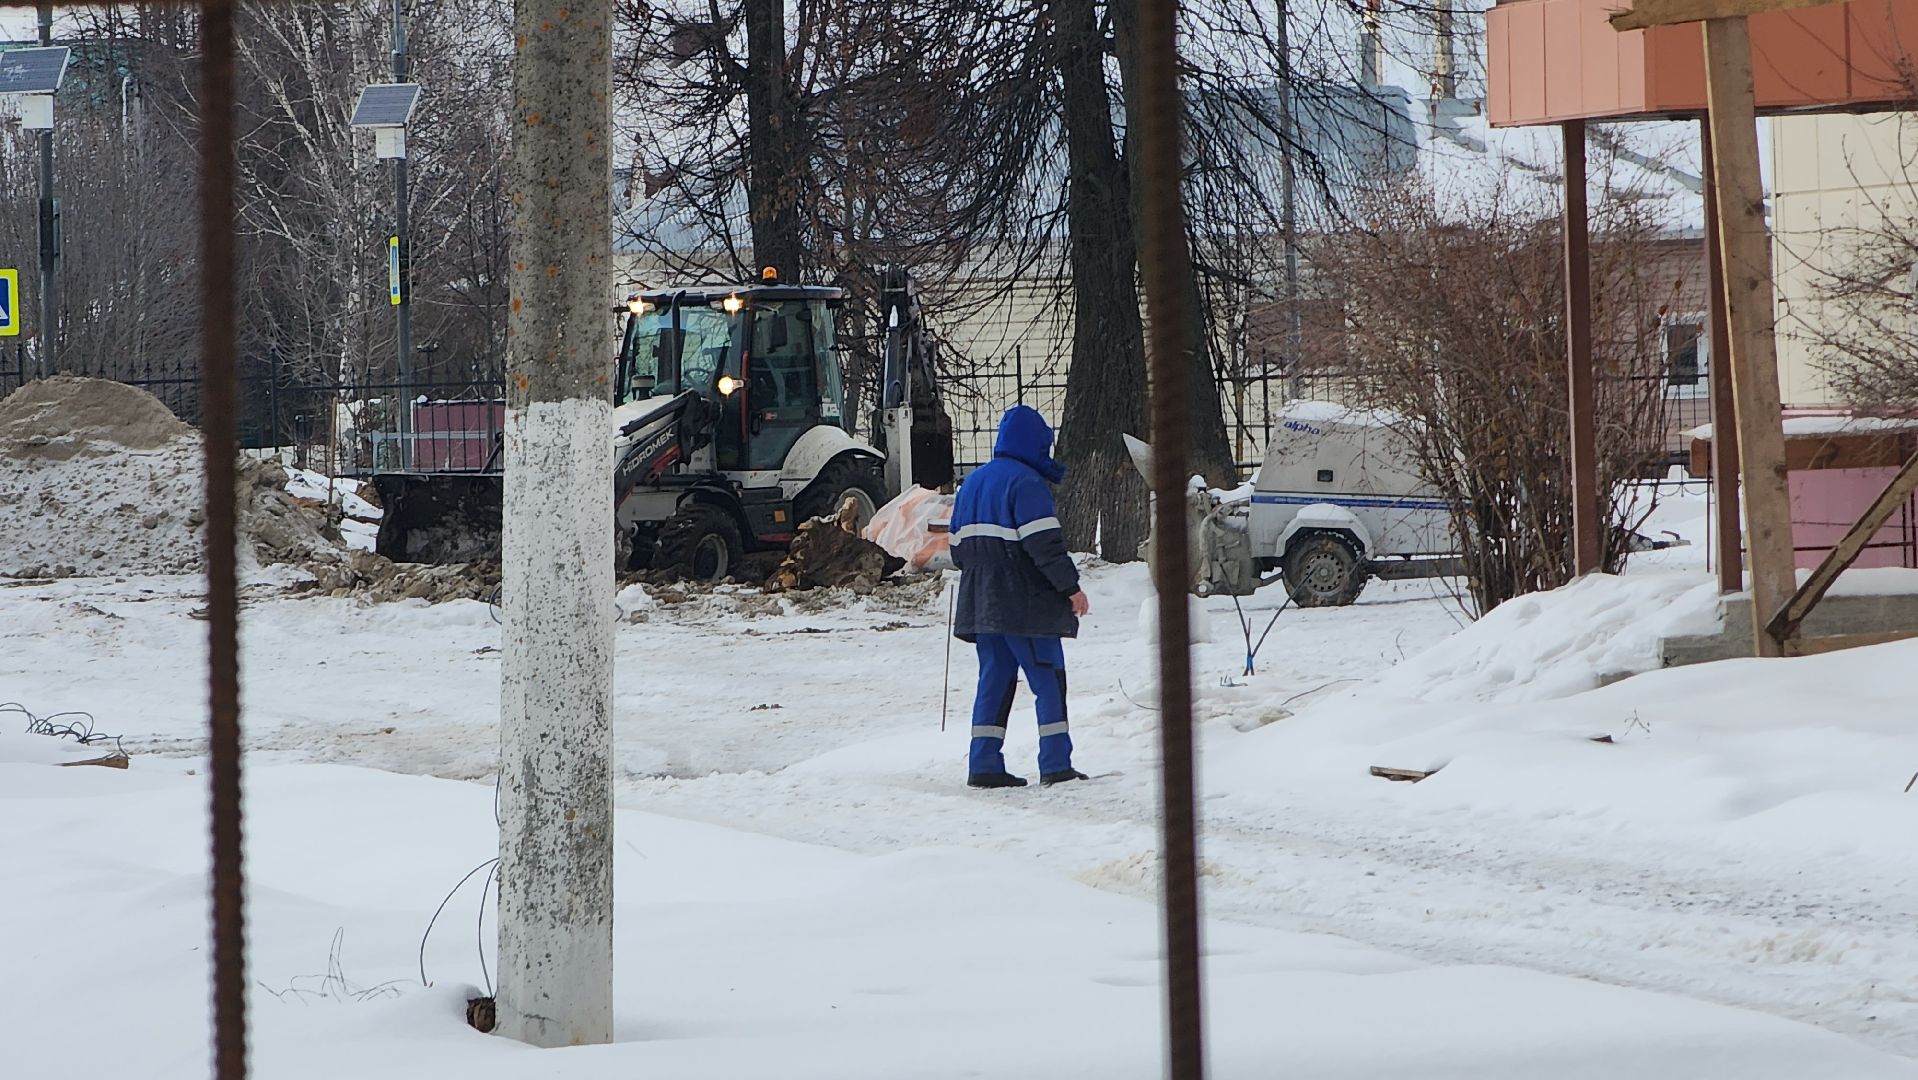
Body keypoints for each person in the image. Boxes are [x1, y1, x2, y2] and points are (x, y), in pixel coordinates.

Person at [949, 405, 1091, 788]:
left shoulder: (973, 483)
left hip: (981, 603)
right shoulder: (1026, 484)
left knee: (994, 678)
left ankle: (984, 765)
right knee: (1047, 677)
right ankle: (1056, 764)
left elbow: (957, 548)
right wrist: (1071, 588)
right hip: (1025, 603)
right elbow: (1044, 545)